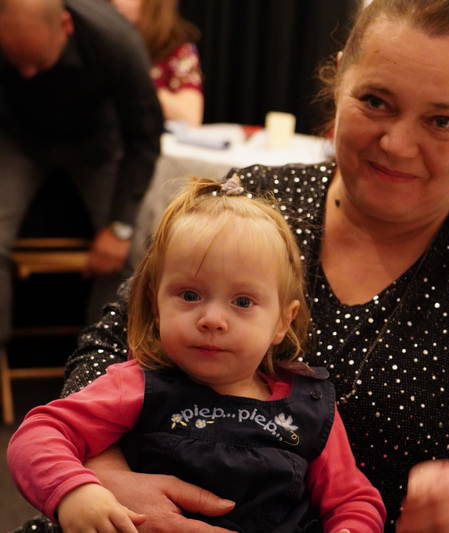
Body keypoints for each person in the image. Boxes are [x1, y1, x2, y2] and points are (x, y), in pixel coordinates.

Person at [15, 1, 449, 532]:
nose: (398, 143)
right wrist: (105, 479)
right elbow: (108, 346)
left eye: (442, 120)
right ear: (339, 82)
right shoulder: (255, 201)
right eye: (376, 101)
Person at [8, 176, 386, 533]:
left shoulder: (312, 409)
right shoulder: (137, 385)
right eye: (190, 295)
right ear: (156, 306)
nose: (212, 320)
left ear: (282, 323)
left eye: (242, 301)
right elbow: (40, 434)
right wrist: (76, 491)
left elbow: (353, 500)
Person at [0, 0, 162, 342]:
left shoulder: (116, 41)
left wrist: (119, 227)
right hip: (18, 141)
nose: (27, 74)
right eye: (16, 62)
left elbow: (144, 139)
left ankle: (102, 355)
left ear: (66, 26)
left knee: (133, 250)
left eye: (38, 61)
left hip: (95, 146)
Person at [111, 0, 204, 126]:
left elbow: (190, 117)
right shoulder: (104, 42)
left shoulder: (177, 49)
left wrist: (134, 85)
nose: (116, 2)